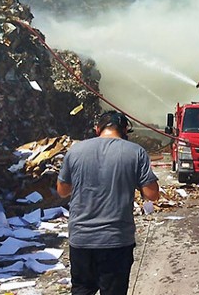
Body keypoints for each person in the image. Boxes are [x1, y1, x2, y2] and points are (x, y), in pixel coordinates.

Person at [57, 110, 160, 295]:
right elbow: (152, 195)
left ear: (98, 129)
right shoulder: (136, 152)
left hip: (81, 239)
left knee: (81, 290)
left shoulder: (75, 150)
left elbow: (62, 191)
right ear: (125, 130)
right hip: (116, 240)